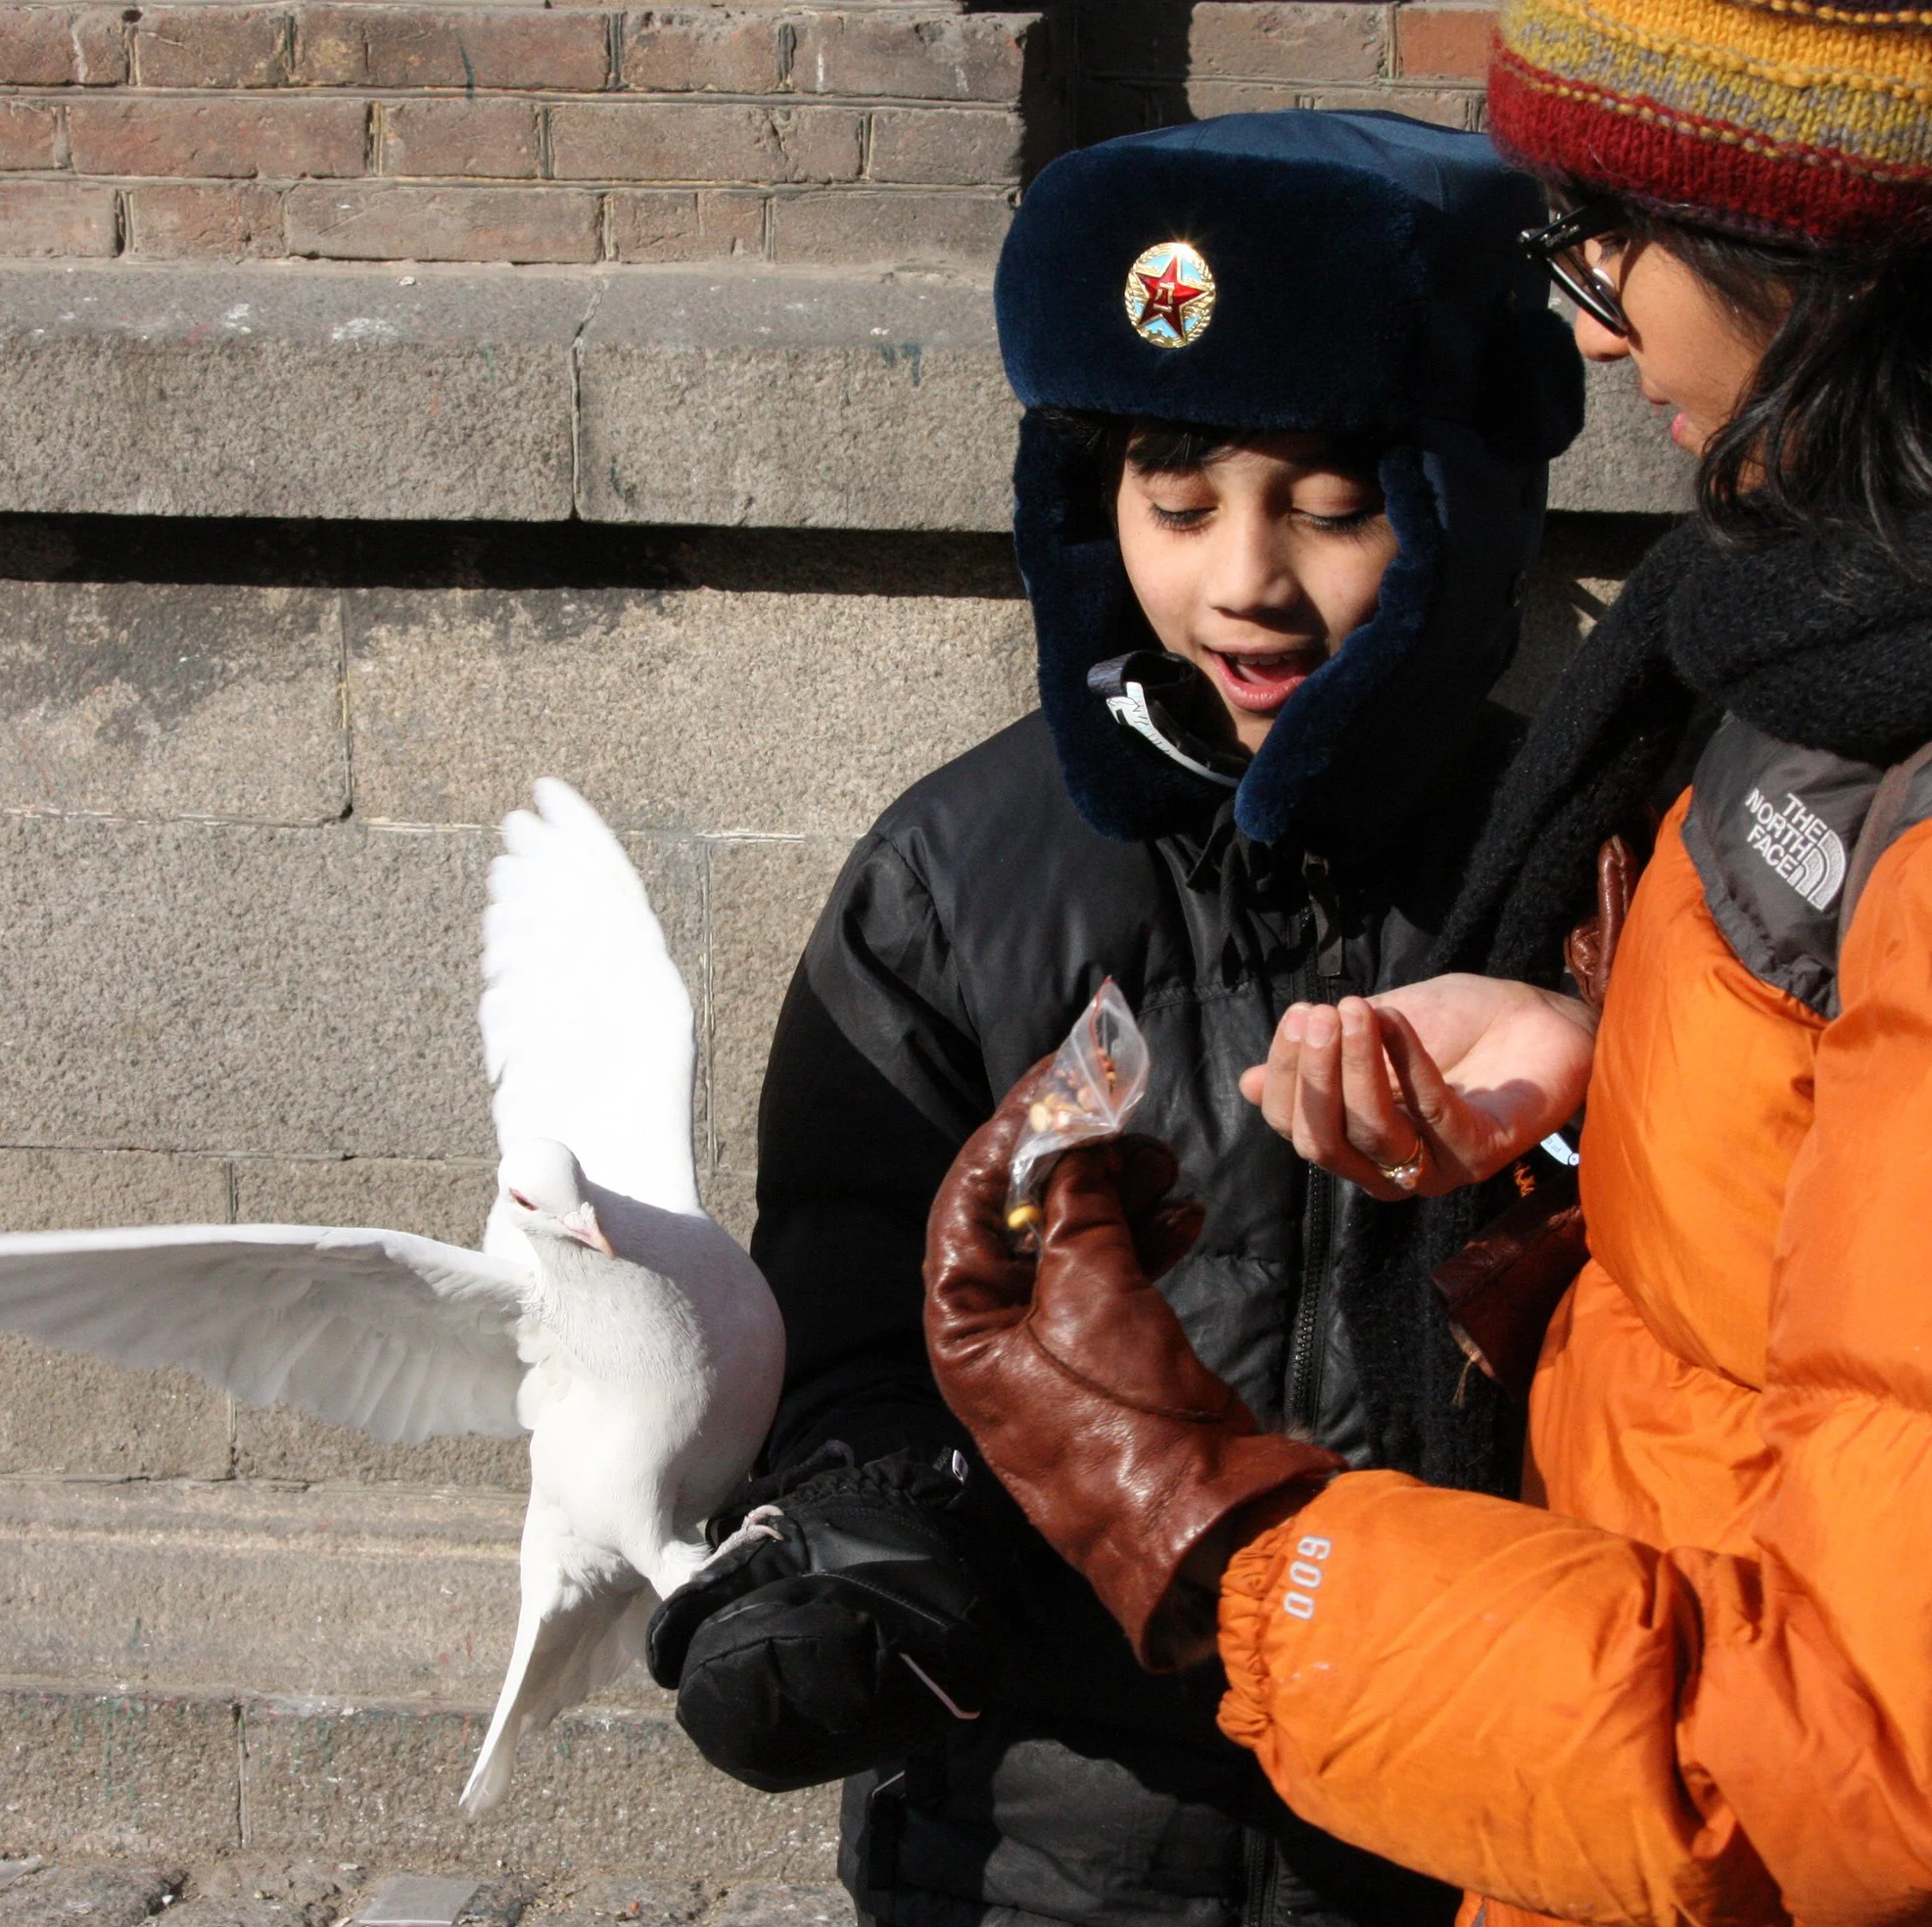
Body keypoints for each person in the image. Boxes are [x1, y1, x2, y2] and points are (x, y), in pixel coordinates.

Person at [917, 5, 1932, 1925]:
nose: (1582, 319)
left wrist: (1216, 1534)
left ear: (1809, 236)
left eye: (1603, 233)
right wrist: (1605, 1061)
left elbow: (1879, 1761)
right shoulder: (1859, 604)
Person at [643, 112, 1581, 1927]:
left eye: (1329, 505)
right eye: (1178, 502)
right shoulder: (950, 879)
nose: (1243, 579)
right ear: (1091, 506)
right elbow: (845, 1301)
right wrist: (862, 1556)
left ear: (1466, 507)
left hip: (1471, 1799)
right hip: (1046, 1833)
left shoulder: (1578, 866)